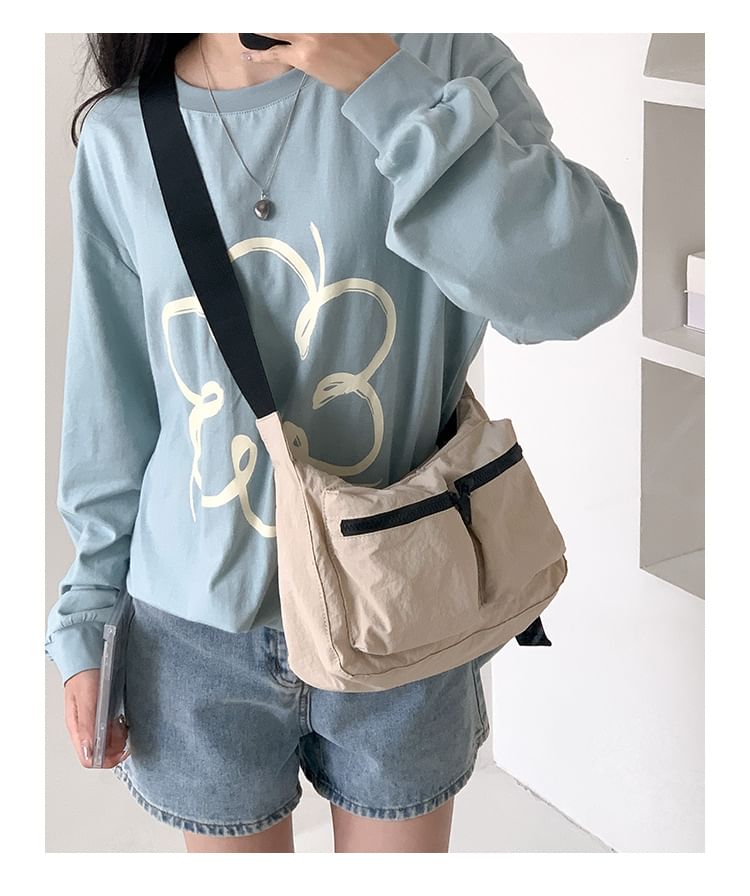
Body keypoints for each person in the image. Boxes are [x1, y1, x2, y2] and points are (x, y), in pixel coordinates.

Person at [45, 33, 638, 853]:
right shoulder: (123, 134)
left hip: (402, 598)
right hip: (191, 631)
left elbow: (582, 285)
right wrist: (87, 616)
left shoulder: (442, 61)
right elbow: (111, 408)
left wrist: (384, 84)